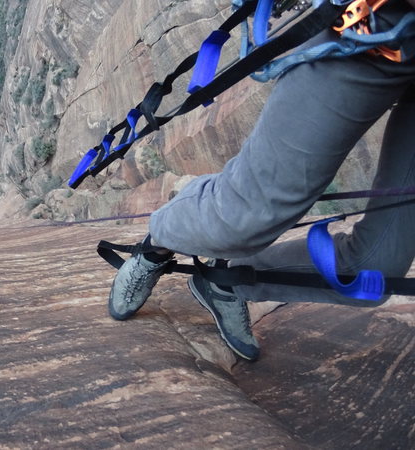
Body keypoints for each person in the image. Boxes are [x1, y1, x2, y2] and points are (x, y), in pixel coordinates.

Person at [108, 0, 415, 361]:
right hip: (375, 24)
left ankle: (227, 282)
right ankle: (158, 242)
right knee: (246, 216)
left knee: (373, 274)